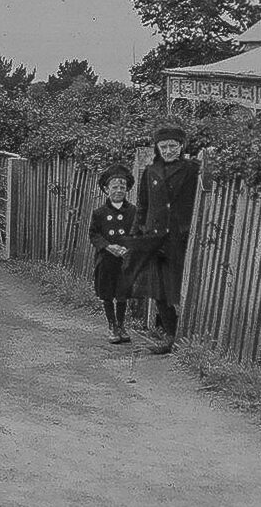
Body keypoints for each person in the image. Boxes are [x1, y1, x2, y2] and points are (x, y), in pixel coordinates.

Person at [130, 124, 200, 355]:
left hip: (181, 237)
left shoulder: (192, 169)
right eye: (164, 146)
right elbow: (142, 205)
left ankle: (188, 335)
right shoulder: (150, 172)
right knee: (158, 288)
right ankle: (171, 335)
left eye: (173, 146)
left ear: (181, 146)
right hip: (155, 238)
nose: (169, 150)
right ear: (157, 148)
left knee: (180, 286)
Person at [89, 163, 137, 344]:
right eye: (114, 187)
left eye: (122, 187)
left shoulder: (133, 211)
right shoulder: (99, 213)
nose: (118, 190)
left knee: (123, 293)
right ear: (106, 189)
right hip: (106, 259)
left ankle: (122, 325)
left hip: (125, 260)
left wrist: (128, 248)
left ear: (127, 190)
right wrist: (109, 247)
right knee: (108, 293)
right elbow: (94, 234)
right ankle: (112, 326)